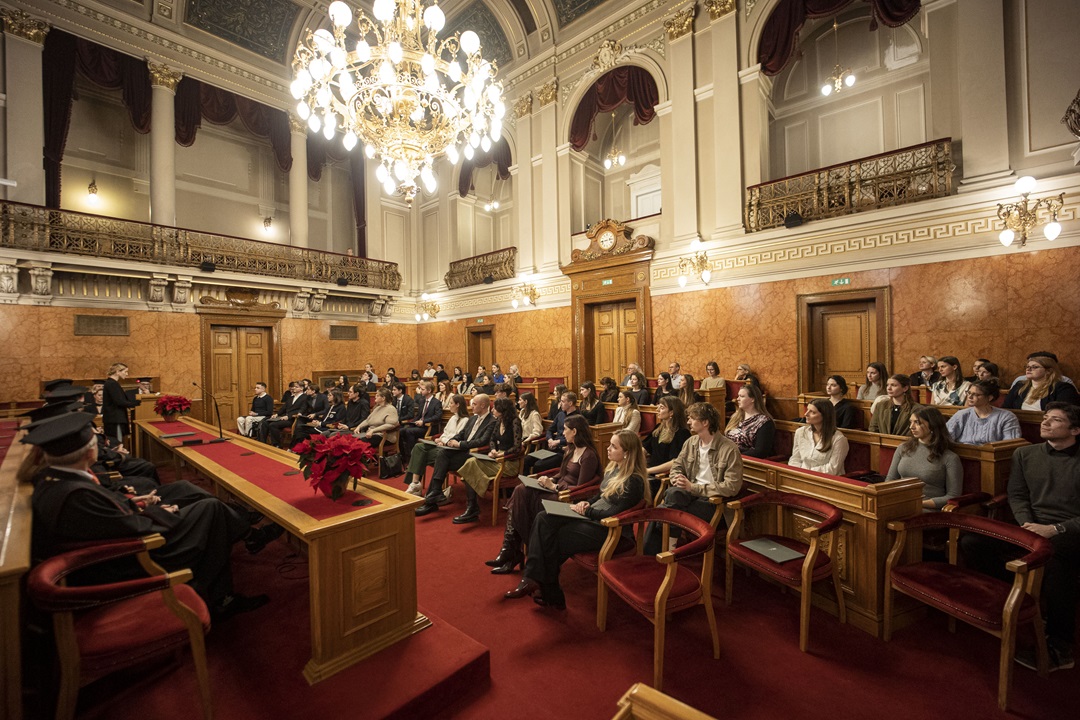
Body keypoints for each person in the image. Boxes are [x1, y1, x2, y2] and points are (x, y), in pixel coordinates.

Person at [26, 412, 273, 620]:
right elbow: (127, 527)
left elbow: (109, 517)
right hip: (135, 556)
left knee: (186, 491)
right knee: (210, 510)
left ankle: (245, 533)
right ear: (89, 453)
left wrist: (135, 502)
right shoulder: (76, 494)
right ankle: (224, 593)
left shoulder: (57, 479)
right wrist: (156, 511)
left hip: (123, 536)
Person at [961, 402, 1080, 672]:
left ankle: (1060, 645)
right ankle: (1017, 599)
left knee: (1055, 559)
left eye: (1056, 420)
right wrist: (1026, 522)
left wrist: (1056, 529)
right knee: (972, 542)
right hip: (1030, 524)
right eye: (1045, 417)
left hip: (1069, 530)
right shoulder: (1025, 454)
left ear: (1075, 430)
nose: (1045, 422)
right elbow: (1016, 494)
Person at [504, 429, 646, 609]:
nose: (608, 448)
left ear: (627, 453)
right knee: (543, 518)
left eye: (613, 446)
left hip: (610, 530)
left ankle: (546, 588)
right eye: (609, 444)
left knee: (554, 536)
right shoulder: (614, 469)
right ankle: (537, 582)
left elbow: (615, 513)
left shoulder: (634, 480)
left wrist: (587, 511)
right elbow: (600, 496)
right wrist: (586, 503)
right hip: (593, 519)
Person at [488, 415, 599, 574]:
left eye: (565, 430)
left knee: (521, 501)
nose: (562, 433)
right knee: (520, 490)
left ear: (574, 431)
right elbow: (561, 473)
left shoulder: (589, 455)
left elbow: (581, 489)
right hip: (556, 489)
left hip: (567, 498)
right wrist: (549, 479)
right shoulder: (571, 448)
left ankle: (514, 551)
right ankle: (511, 549)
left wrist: (554, 486)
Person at [644, 402, 743, 555]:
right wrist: (677, 478)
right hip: (687, 496)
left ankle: (661, 552)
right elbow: (677, 466)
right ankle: (669, 551)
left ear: (705, 422)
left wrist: (693, 487)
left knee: (663, 511)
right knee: (673, 495)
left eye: (692, 418)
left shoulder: (729, 449)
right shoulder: (691, 442)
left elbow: (731, 487)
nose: (688, 421)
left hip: (712, 502)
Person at [414, 395, 497, 516]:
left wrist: (460, 444)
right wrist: (450, 441)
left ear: (483, 405)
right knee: (442, 454)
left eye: (474, 404)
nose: (471, 406)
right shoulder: (473, 418)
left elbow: (482, 441)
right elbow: (461, 434)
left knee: (442, 462)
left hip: (475, 455)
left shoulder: (492, 421)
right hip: (463, 452)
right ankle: (435, 494)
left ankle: (432, 500)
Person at [454, 397, 523, 524]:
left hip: (509, 462)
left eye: (495, 408)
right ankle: (472, 506)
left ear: (502, 409)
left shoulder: (515, 422)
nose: (492, 410)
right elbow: (492, 440)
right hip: (497, 458)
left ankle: (473, 507)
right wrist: (493, 450)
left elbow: (518, 447)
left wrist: (502, 454)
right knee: (470, 462)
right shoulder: (498, 420)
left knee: (470, 468)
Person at [884, 406, 962, 510]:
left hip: (927, 508)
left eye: (917, 423)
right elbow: (890, 479)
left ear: (932, 425)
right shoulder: (903, 448)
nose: (911, 427)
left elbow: (953, 496)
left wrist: (919, 503)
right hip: (900, 502)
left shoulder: (950, 458)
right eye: (911, 422)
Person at [403, 394, 470, 496]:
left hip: (449, 449)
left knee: (421, 455)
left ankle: (416, 487)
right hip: (442, 444)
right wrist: (441, 439)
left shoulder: (465, 420)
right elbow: (445, 433)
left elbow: (457, 437)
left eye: (451, 403)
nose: (449, 405)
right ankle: (415, 483)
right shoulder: (453, 418)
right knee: (418, 447)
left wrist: (444, 440)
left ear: (458, 404)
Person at [946, 380, 1021, 444]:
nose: (970, 397)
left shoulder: (1007, 417)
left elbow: (1010, 445)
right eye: (969, 393)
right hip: (962, 453)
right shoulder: (961, 415)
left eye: (976, 394)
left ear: (989, 397)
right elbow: (945, 438)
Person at [789, 399, 849, 475]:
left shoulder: (839, 439)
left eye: (812, 412)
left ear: (825, 415)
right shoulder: (800, 432)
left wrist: (807, 472)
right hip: (802, 476)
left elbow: (832, 469)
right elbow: (795, 459)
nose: (806, 414)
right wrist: (798, 473)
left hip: (825, 479)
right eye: (807, 410)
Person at [1004, 354, 1080, 410]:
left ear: (1048, 371)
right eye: (1027, 366)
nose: (1028, 369)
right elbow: (1006, 408)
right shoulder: (1019, 386)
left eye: (1034, 367)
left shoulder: (1062, 388)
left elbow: (1064, 414)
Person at [528, 391, 580, 473]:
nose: (560, 403)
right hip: (553, 447)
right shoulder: (560, 414)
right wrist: (550, 440)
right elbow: (550, 430)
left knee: (539, 465)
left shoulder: (578, 418)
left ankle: (536, 480)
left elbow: (576, 437)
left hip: (564, 451)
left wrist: (558, 442)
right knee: (527, 459)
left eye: (563, 401)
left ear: (570, 403)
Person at [644, 397, 691, 483]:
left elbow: (675, 462)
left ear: (671, 412)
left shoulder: (682, 433)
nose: (657, 409)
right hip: (650, 472)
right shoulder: (658, 428)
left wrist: (648, 471)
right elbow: (645, 448)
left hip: (662, 477)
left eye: (662, 407)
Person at [725, 383, 775, 457]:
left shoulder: (764, 422)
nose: (737, 399)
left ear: (752, 399)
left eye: (742, 396)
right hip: (728, 456)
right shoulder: (735, 417)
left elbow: (760, 452)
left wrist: (735, 456)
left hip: (746, 460)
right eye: (738, 396)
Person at [399, 380, 443, 461]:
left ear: (429, 390)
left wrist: (424, 421)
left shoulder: (436, 402)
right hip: (419, 426)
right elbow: (419, 415)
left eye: (423, 389)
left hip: (428, 428)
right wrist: (412, 422)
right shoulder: (422, 401)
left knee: (409, 431)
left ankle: (412, 456)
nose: (421, 391)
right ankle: (403, 455)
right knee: (401, 431)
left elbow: (437, 416)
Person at [262, 381, 311, 447]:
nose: (294, 388)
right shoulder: (291, 397)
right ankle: (263, 442)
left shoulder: (305, 397)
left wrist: (288, 416)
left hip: (293, 419)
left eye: (296, 387)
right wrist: (277, 414)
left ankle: (277, 445)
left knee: (273, 425)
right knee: (265, 422)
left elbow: (301, 410)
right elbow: (283, 408)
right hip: (284, 417)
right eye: (294, 386)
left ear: (301, 388)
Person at [102, 362, 140, 444]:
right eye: (125, 371)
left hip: (115, 418)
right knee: (117, 442)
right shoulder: (112, 383)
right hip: (115, 419)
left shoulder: (112, 383)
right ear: (117, 372)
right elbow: (119, 401)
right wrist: (138, 403)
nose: (127, 374)